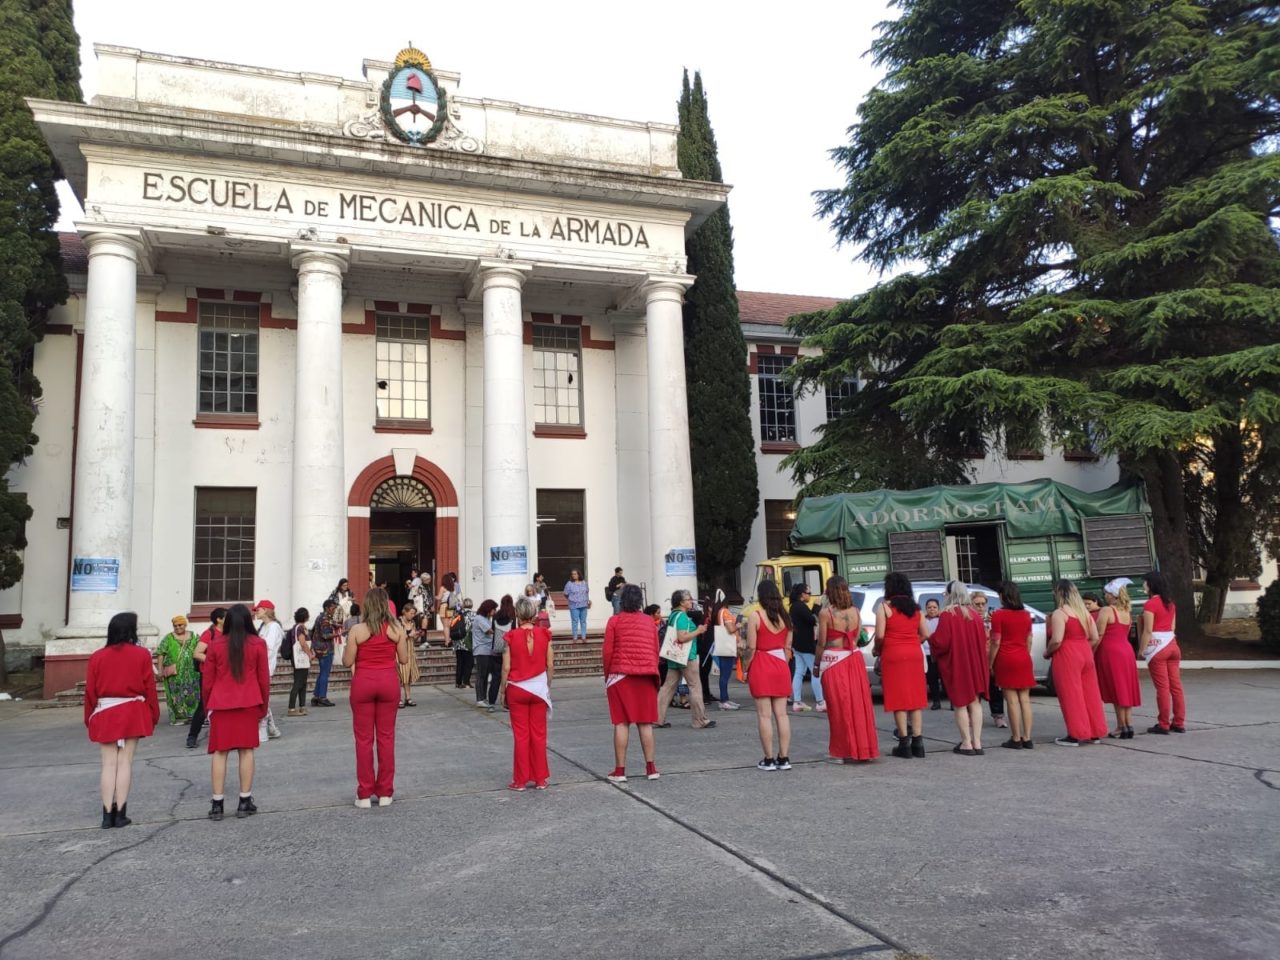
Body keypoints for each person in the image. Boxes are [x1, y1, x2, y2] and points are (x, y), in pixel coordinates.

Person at [85, 612, 160, 828]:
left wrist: (90, 717)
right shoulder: (141, 654)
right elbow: (150, 688)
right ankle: (121, 813)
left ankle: (107, 814)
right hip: (133, 711)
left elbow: (90, 691)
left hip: (105, 711)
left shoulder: (97, 656)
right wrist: (153, 714)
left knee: (108, 764)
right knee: (125, 762)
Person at [344, 586, 410, 807]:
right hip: (388, 682)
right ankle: (385, 793)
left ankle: (364, 794)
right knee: (386, 737)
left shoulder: (357, 630)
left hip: (363, 682)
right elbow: (403, 660)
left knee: (363, 740)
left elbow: (346, 661)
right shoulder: (396, 629)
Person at [202, 604, 270, 821]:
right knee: (246, 751)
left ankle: (217, 803)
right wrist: (263, 706)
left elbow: (207, 681)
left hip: (221, 703)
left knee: (220, 753)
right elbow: (263, 680)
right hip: (249, 702)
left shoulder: (215, 645)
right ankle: (244, 800)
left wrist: (207, 707)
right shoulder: (258, 644)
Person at [813, 576, 878, 763]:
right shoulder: (856, 611)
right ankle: (863, 749)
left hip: (834, 661)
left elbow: (821, 643)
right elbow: (857, 637)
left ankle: (841, 752)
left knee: (838, 707)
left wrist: (816, 665)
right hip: (854, 658)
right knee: (858, 704)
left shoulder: (826, 613)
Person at [602, 584, 661, 782]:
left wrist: (607, 676)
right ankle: (651, 768)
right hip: (645, 676)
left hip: (621, 676)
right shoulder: (649, 622)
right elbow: (655, 649)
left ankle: (620, 771)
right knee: (645, 724)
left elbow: (607, 652)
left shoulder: (614, 621)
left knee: (621, 723)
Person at [499, 596, 555, 790]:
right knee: (539, 735)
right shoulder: (545, 634)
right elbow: (550, 664)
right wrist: (546, 685)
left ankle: (520, 780)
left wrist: (502, 690)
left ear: (517, 614)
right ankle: (540, 779)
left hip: (517, 687)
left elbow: (506, 667)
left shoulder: (510, 636)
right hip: (538, 688)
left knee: (521, 736)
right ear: (533, 613)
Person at [930, 581, 990, 755]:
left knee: (960, 704)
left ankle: (966, 743)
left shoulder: (948, 615)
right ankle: (978, 742)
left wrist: (930, 638)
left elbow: (941, 642)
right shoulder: (974, 615)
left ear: (950, 594)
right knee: (975, 702)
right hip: (975, 664)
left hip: (958, 664)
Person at [1046, 579, 1108, 746]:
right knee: (1090, 693)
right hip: (1085, 652)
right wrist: (1083, 649)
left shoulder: (1060, 613)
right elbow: (1095, 637)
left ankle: (1075, 734)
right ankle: (1095, 732)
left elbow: (1057, 639)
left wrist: (1048, 652)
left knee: (1071, 694)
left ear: (1059, 593)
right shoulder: (1084, 613)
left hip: (1067, 655)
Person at [874, 572, 928, 758]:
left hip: (893, 654)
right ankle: (918, 743)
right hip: (914, 653)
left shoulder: (884, 607)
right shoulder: (916, 609)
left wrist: (877, 649)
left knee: (898, 699)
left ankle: (904, 744)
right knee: (916, 698)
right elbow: (926, 634)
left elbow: (880, 635)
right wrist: (914, 642)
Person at [745, 579, 793, 770]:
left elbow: (751, 647)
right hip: (781, 665)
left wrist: (746, 668)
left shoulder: (756, 617)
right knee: (782, 714)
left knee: (764, 715)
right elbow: (788, 648)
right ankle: (784, 758)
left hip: (761, 664)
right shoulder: (786, 618)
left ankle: (769, 759)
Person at [655, 590, 716, 731]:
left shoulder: (673, 615)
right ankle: (699, 720)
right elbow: (682, 637)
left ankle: (657, 719)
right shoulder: (682, 616)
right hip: (687, 656)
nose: (691, 601)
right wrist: (699, 630)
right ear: (681, 602)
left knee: (667, 687)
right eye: (688, 599)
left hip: (674, 655)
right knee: (694, 686)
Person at [989, 582, 1035, 749]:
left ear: (1003, 596)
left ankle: (1015, 738)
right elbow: (1029, 639)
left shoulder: (998, 615)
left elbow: (996, 641)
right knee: (1025, 699)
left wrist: (990, 662)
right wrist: (1024, 653)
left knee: (1012, 701)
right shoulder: (1026, 614)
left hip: (1006, 658)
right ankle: (1027, 737)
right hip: (1023, 657)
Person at [1140, 570, 1186, 735]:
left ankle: (1163, 724)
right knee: (1176, 686)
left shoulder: (1150, 604)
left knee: (1162, 688)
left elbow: (1148, 630)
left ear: (1151, 584)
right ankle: (1179, 722)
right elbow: (1172, 627)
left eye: (1145, 582)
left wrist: (1141, 650)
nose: (1143, 585)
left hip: (1157, 648)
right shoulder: (1170, 603)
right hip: (1173, 645)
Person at [1096, 577, 1141, 739]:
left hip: (1110, 652)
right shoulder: (1126, 611)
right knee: (1125, 689)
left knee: (1116, 689)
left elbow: (1099, 634)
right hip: (1126, 651)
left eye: (1107, 593)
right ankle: (1128, 724)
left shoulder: (1107, 611)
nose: (1105, 595)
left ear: (1113, 595)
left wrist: (1091, 650)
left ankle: (1121, 726)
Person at [187, 608, 227, 749]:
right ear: (219, 619)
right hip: (209, 675)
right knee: (204, 705)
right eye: (226, 617)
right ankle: (192, 736)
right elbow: (197, 653)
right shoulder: (209, 634)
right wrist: (213, 661)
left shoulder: (229, 634)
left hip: (224, 675)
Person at [155, 614, 200, 725]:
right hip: (175, 673)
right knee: (177, 694)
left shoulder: (194, 636)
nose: (178, 627)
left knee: (193, 692)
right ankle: (180, 717)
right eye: (175, 626)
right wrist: (160, 670)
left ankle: (193, 715)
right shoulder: (168, 638)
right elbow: (160, 653)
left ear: (185, 625)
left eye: (180, 625)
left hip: (192, 672)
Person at [972, 591, 1005, 729]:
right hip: (976, 659)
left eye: (983, 604)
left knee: (995, 689)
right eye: (977, 604)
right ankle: (973, 715)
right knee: (975, 689)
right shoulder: (970, 620)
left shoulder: (992, 619)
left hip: (991, 657)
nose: (980, 607)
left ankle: (998, 716)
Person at [788, 583, 823, 713]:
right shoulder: (800, 607)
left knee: (799, 672)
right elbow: (813, 620)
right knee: (815, 672)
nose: (810, 595)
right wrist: (817, 606)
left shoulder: (794, 606)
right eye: (809, 593)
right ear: (802, 594)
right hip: (806, 645)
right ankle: (820, 701)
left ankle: (797, 701)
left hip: (797, 644)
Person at [252, 600, 284, 741]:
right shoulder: (264, 627)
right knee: (263, 697)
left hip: (265, 667)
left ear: (265, 610)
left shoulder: (273, 627)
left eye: (258, 610)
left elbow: (268, 649)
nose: (256, 612)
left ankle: (265, 728)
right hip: (260, 666)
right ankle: (271, 728)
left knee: (262, 698)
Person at [710, 590, 743, 710]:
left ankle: (726, 699)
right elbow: (730, 629)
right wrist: (738, 625)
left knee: (724, 674)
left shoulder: (718, 611)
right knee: (725, 674)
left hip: (722, 644)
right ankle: (724, 700)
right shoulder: (726, 612)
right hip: (727, 646)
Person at [472, 598, 500, 709]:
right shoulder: (480, 619)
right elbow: (490, 631)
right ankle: (480, 699)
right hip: (481, 650)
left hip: (488, 650)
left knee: (485, 675)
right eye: (494, 610)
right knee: (481, 675)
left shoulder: (486, 618)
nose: (495, 612)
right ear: (488, 609)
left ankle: (483, 697)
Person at [309, 599, 339, 708]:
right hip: (325, 650)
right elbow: (326, 635)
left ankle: (316, 696)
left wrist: (336, 626)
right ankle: (322, 697)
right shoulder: (325, 619)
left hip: (320, 649)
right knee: (325, 673)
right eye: (333, 608)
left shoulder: (322, 617)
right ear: (327, 608)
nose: (334, 610)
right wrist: (338, 634)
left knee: (322, 673)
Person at [491, 595, 516, 711]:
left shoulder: (495, 616)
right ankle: (507, 702)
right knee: (509, 676)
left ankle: (491, 702)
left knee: (496, 677)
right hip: (509, 649)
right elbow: (514, 632)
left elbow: (493, 631)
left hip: (496, 649)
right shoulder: (512, 616)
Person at [287, 607, 313, 716]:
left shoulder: (295, 627)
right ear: (305, 617)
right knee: (299, 683)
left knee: (302, 682)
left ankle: (302, 706)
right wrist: (310, 654)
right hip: (300, 658)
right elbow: (302, 643)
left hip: (297, 658)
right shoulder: (301, 628)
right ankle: (291, 708)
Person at [397, 603, 422, 707]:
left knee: (408, 676)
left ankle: (408, 697)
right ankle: (398, 699)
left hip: (410, 652)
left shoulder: (412, 622)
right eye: (411, 613)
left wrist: (417, 635)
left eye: (414, 614)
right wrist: (408, 635)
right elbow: (397, 637)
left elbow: (414, 639)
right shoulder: (398, 622)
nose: (413, 615)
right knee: (399, 676)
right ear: (405, 612)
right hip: (400, 652)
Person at [922, 599, 945, 710]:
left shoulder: (943, 620)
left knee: (945, 678)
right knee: (932, 678)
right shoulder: (923, 620)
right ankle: (936, 701)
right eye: (929, 607)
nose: (932, 609)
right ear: (926, 609)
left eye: (934, 607)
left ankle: (952, 701)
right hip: (927, 652)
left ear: (938, 608)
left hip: (941, 653)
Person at [563, 568, 591, 641]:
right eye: (572, 574)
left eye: (575, 574)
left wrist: (588, 601)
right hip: (574, 605)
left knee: (583, 621)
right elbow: (565, 594)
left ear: (578, 574)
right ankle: (575, 637)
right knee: (575, 621)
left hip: (583, 605)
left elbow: (586, 592)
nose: (573, 575)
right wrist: (571, 599)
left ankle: (583, 637)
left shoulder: (584, 583)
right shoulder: (569, 584)